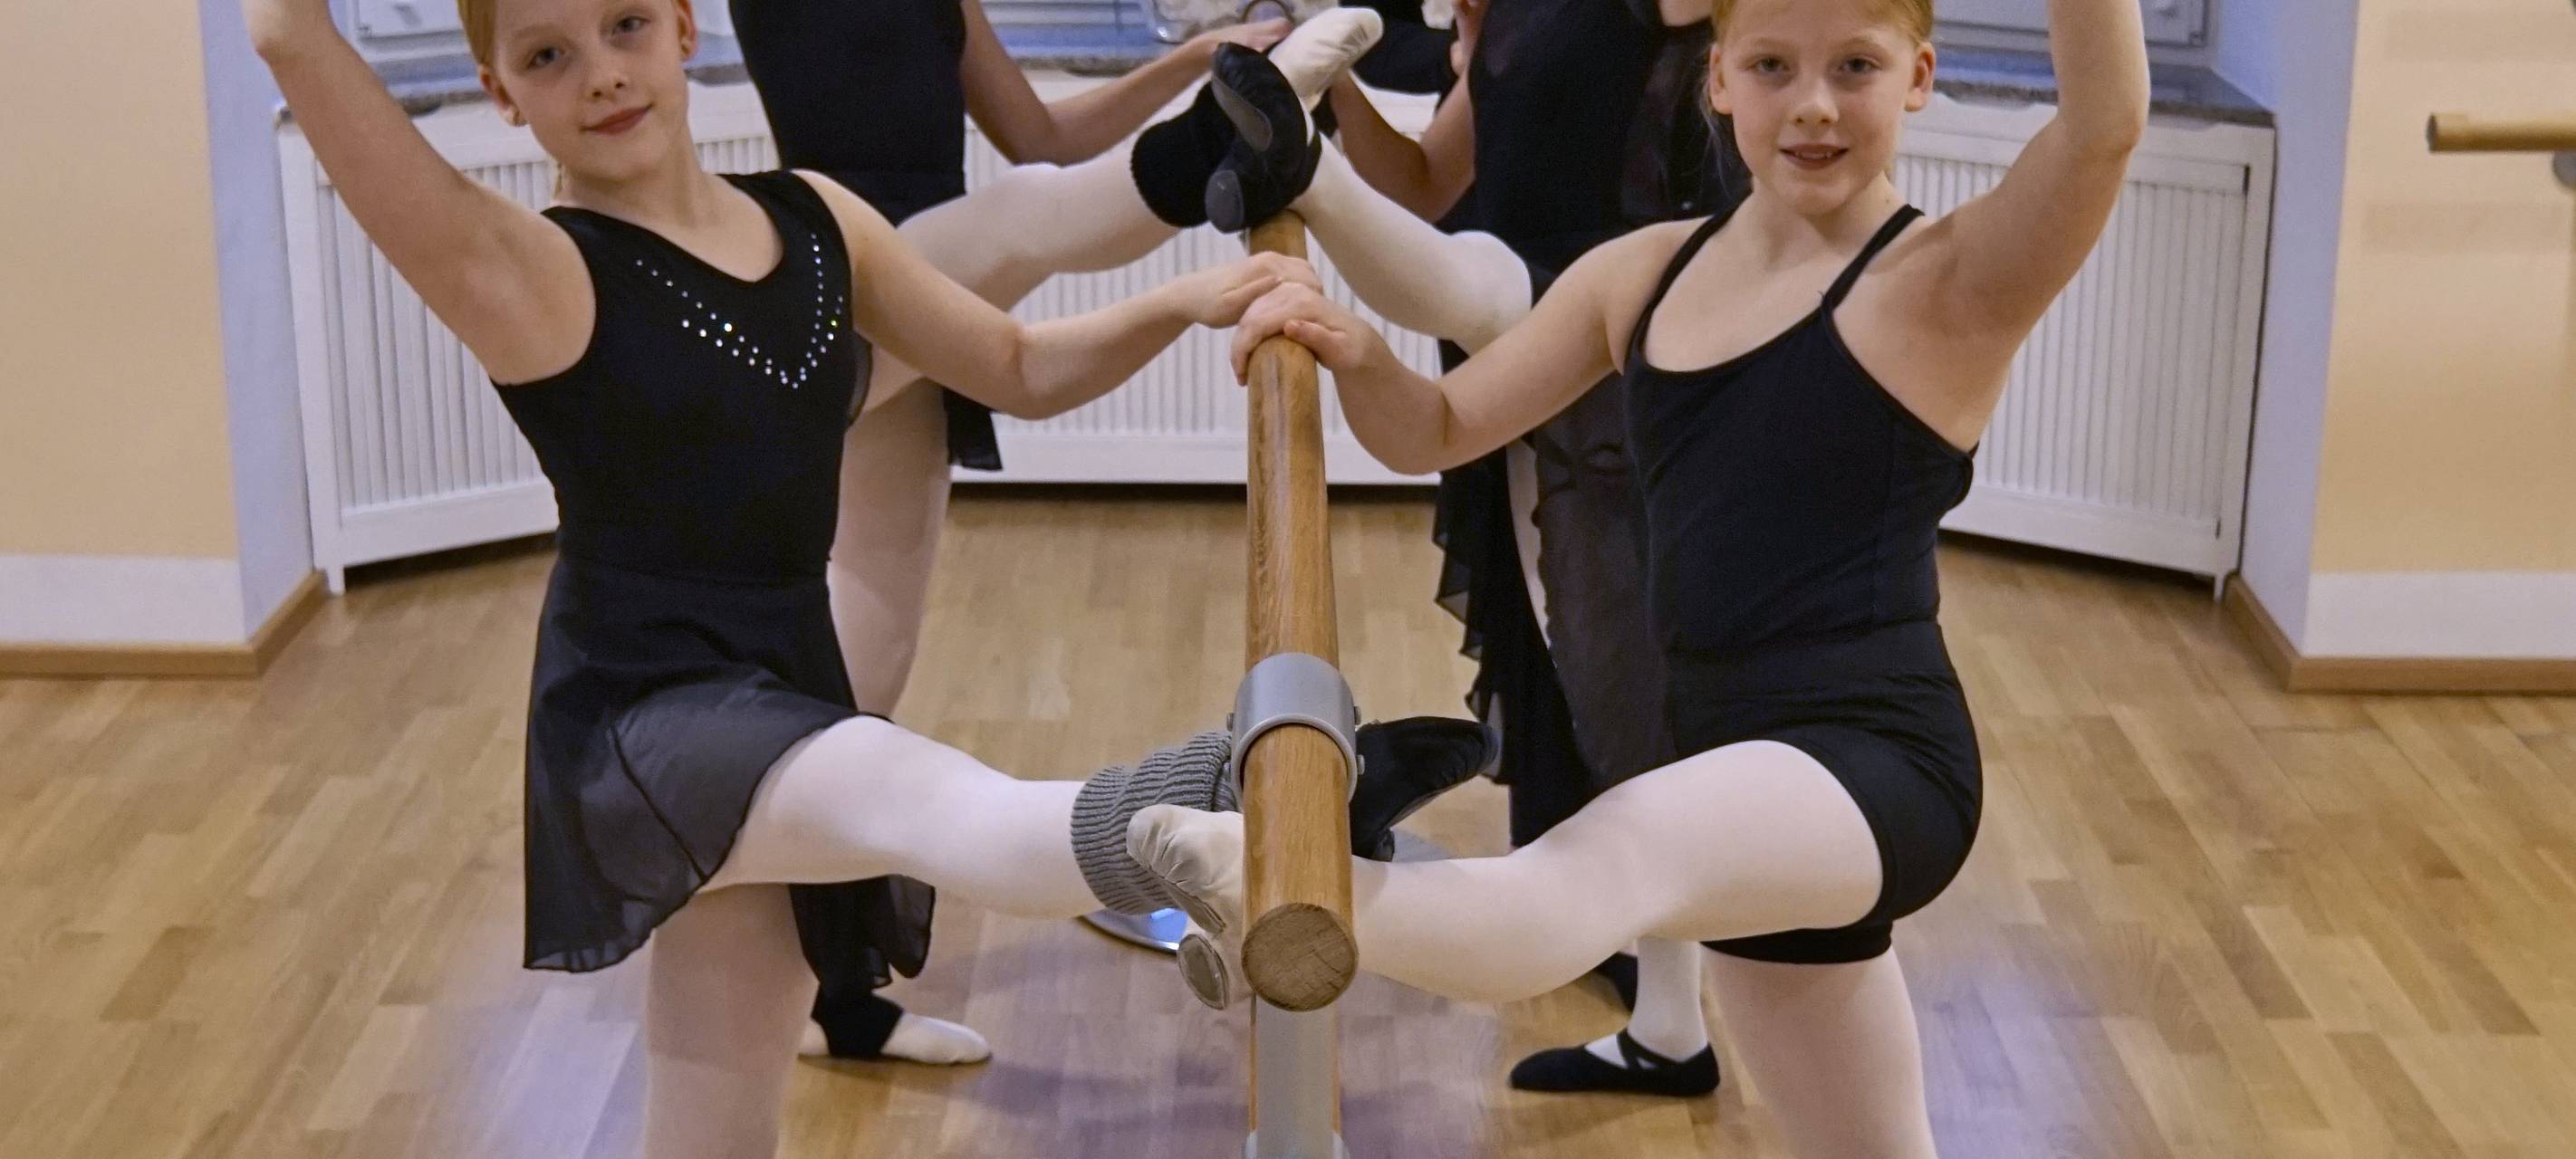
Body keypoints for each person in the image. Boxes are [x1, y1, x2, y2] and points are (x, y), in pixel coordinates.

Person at [239, 0, 1459, 1152]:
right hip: (644, 718)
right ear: (502, 97)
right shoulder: (529, 275)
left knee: (714, 1125)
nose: (602, 71)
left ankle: (1215, 813)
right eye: (547, 56)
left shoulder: (817, 220)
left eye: (622, 26)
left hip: (784, 686)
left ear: (678, 26)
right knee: (912, 795)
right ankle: (1217, 808)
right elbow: (288, 30)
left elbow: (1019, 365)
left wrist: (1188, 300)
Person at [1139, 0, 2150, 1152]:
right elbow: (1438, 425)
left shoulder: (1947, 281)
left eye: (1854, 67)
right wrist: (1356, 351)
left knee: (1595, 863)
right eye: (1773, 65)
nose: (1813, 103)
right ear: (1719, 80)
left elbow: (2103, 126)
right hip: (1731, 773)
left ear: (1918, 78)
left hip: (1875, 769)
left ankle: (1272, 876)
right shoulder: (1646, 274)